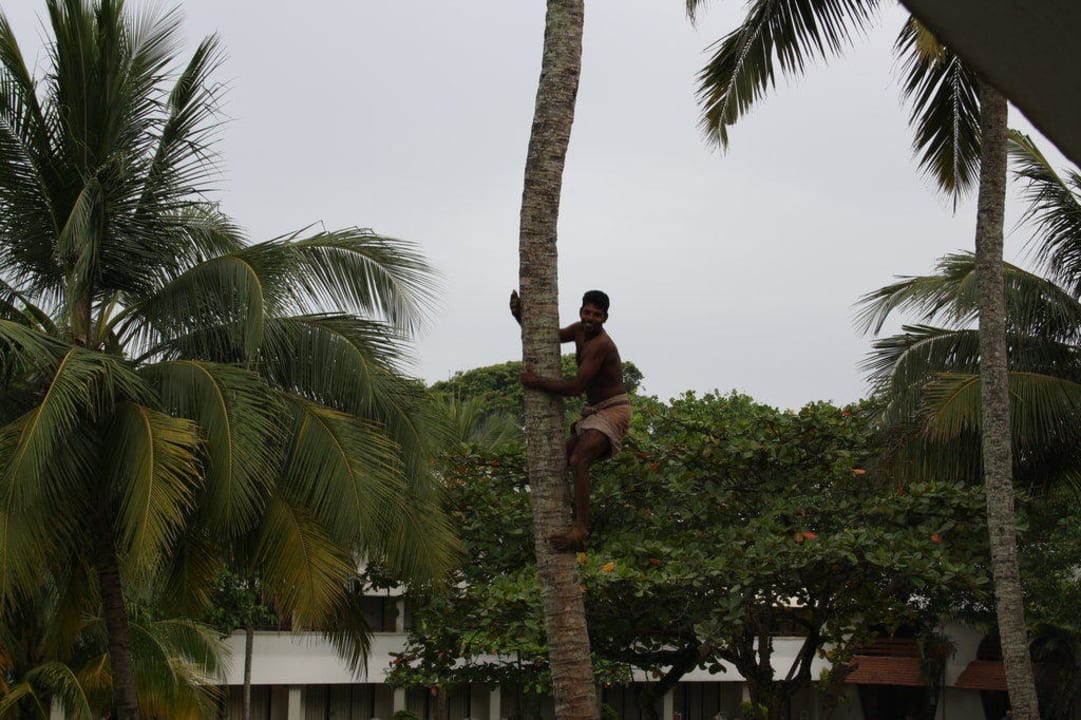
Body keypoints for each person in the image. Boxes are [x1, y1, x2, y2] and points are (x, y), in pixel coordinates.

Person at [510, 289, 631, 551]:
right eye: (587, 312)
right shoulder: (577, 330)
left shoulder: (601, 345)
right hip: (595, 410)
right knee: (560, 458)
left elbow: (576, 387)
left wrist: (537, 382)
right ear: (581, 312)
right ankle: (558, 517)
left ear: (605, 318)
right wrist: (520, 316)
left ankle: (580, 529)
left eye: (596, 315)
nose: (590, 318)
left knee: (579, 459)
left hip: (613, 411)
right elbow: (548, 338)